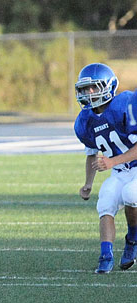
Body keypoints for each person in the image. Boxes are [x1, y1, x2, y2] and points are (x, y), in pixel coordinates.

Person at [74, 62, 137, 274]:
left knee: (131, 194)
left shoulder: (126, 104)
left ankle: (132, 239)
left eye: (93, 87)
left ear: (108, 86)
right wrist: (88, 183)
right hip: (120, 171)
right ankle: (106, 254)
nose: (88, 93)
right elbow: (91, 152)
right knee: (106, 200)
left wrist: (112, 162)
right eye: (84, 89)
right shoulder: (85, 121)